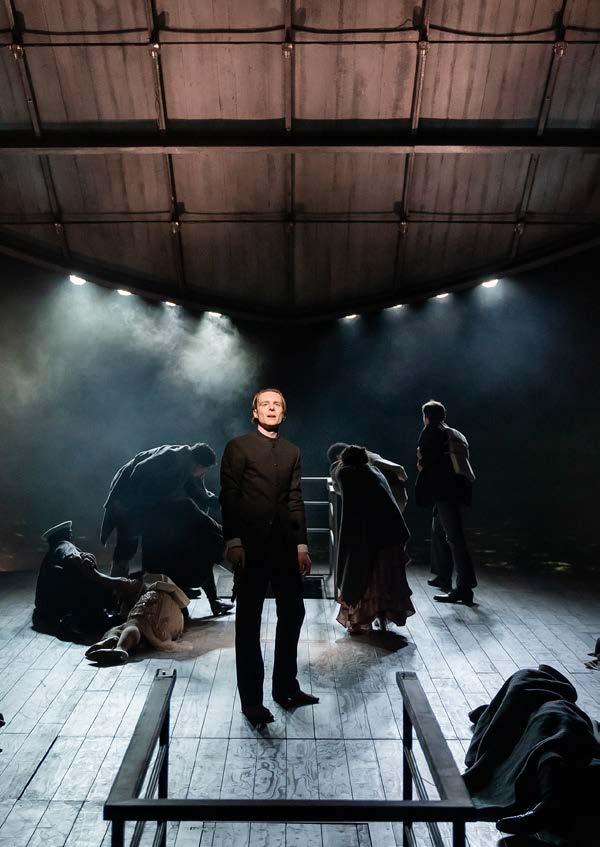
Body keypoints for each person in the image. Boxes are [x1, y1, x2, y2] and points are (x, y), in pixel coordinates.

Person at [220, 388, 318, 728]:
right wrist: (233, 540)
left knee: (293, 613)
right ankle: (252, 701)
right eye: (265, 404)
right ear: (255, 412)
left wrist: (302, 546)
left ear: (283, 413)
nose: (271, 408)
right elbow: (229, 496)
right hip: (251, 546)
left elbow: (294, 500)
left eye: (277, 404)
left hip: (284, 547)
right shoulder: (238, 447)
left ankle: (285, 687)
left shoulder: (292, 451)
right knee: (248, 622)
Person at [463, 665, 600, 838]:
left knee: (556, 725)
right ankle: (548, 804)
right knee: (552, 733)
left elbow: (498, 711)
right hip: (554, 718)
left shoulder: (547, 699)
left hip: (560, 717)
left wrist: (490, 712)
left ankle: (548, 805)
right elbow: (501, 711)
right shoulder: (528, 693)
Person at [101, 443, 232, 615]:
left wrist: (223, 503)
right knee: (125, 551)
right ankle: (114, 601)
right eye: (204, 470)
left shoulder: (189, 466)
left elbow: (201, 493)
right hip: (126, 502)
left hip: (151, 509)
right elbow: (138, 472)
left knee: (187, 546)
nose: (203, 474)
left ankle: (178, 588)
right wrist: (133, 507)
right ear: (199, 464)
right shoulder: (172, 457)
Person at [333, 445, 414, 634]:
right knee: (385, 579)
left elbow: (351, 511)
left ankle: (361, 619)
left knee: (366, 577)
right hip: (391, 533)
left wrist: (348, 545)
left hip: (371, 535)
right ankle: (382, 618)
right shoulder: (374, 471)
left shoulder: (347, 474)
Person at [415, 400, 477, 605]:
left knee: (454, 538)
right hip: (456, 489)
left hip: (445, 491)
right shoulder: (453, 432)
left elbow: (427, 461)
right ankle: (443, 576)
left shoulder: (432, 431)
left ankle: (464, 588)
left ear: (426, 416)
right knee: (440, 533)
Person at [33, 520, 127, 639]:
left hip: (45, 609)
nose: (72, 536)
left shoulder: (51, 554)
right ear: (66, 535)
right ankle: (101, 616)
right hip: (57, 609)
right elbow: (73, 558)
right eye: (70, 533)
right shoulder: (65, 545)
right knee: (93, 582)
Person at [85, 573, 189, 665]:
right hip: (167, 621)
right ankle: (113, 639)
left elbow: (120, 582)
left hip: (156, 607)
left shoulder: (141, 585)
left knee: (135, 624)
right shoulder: (172, 602)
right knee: (128, 627)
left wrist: (94, 573)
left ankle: (120, 648)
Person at [328, 442, 408, 512]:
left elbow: (392, 466)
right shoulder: (363, 457)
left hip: (389, 494)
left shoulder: (365, 457)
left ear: (338, 456)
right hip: (394, 495)